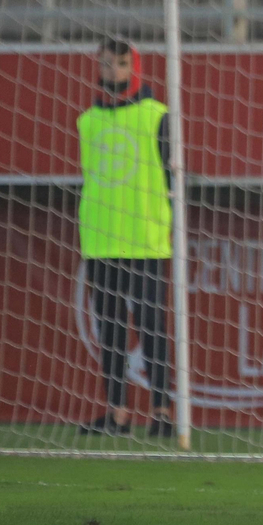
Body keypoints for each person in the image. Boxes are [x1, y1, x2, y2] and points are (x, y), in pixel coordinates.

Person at [76, 38, 173, 438]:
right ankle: (117, 412)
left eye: (119, 63)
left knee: (151, 326)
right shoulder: (88, 121)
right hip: (101, 238)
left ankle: (163, 412)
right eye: (105, 63)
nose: (111, 70)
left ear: (134, 68)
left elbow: (169, 176)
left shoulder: (158, 116)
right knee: (110, 329)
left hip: (145, 237)